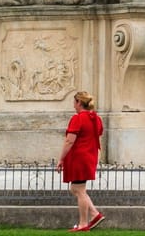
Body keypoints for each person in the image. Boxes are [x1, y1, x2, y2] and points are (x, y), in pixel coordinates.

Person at [58, 91, 105, 231]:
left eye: (74, 102)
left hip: (79, 157)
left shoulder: (78, 118)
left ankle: (84, 223)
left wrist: (61, 158)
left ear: (79, 102)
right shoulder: (96, 118)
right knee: (77, 188)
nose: (73, 105)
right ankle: (94, 214)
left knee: (79, 190)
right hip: (90, 156)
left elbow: (69, 141)